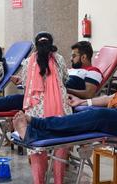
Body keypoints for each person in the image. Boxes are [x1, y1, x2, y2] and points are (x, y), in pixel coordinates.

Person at [13, 41, 117, 144]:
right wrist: (84, 102)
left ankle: (36, 124)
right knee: (86, 117)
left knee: (97, 116)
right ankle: (34, 134)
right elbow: (113, 97)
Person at [0, 41, 102, 111]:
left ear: (84, 57)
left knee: (10, 100)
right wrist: (24, 81)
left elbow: (89, 94)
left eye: (74, 56)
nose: (71, 58)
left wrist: (62, 89)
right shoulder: (69, 70)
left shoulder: (93, 71)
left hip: (55, 100)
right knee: (9, 100)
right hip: (44, 95)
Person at [19, 32, 72, 184]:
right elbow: (65, 78)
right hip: (60, 110)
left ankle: (38, 181)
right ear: (51, 43)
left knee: (37, 148)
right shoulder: (59, 59)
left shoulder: (28, 62)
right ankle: (59, 181)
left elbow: (24, 83)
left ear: (36, 45)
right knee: (60, 146)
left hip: (35, 113)